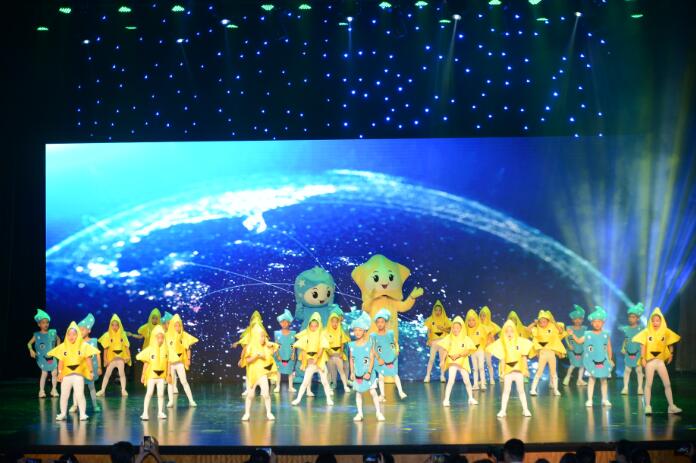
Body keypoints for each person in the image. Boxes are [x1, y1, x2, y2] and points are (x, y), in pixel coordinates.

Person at [632, 307, 681, 414]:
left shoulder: (665, 331)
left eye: (657, 320)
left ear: (661, 321)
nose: (655, 323)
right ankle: (648, 406)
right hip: (650, 362)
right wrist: (643, 358)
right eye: (653, 320)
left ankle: (671, 406)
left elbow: (670, 342)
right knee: (648, 384)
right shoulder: (647, 332)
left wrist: (671, 353)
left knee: (667, 384)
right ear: (650, 321)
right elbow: (643, 345)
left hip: (660, 362)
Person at [47, 321, 99, 421]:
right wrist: (60, 372)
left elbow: (88, 359)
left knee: (80, 395)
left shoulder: (83, 346)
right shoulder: (63, 347)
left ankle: (82, 413)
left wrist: (91, 372)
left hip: (78, 376)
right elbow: (61, 361)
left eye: (74, 334)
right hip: (66, 376)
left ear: (77, 335)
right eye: (69, 334)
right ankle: (63, 413)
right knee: (64, 395)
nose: (71, 336)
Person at [567, 307, 613, 407]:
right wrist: (572, 334)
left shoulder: (606, 334)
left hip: (603, 360)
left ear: (603, 323)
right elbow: (579, 341)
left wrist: (610, 359)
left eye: (599, 322)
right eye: (595, 322)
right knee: (592, 380)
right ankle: (589, 400)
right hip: (593, 361)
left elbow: (609, 347)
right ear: (591, 323)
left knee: (604, 381)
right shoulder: (588, 334)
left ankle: (604, 399)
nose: (597, 324)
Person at [486, 320, 533, 417]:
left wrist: (525, 369)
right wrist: (502, 371)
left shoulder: (520, 342)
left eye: (511, 331)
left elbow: (523, 356)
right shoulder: (503, 344)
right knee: (506, 391)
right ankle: (503, 410)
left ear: (515, 331)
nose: (509, 333)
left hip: (518, 371)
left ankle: (525, 409)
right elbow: (503, 359)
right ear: (504, 332)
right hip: (508, 372)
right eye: (507, 331)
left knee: (521, 391)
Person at [291, 312, 334, 406]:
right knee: (305, 382)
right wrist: (306, 359)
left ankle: (328, 398)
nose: (313, 328)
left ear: (319, 325)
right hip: (310, 364)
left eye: (316, 326)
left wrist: (317, 358)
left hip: (320, 363)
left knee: (325, 382)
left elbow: (321, 348)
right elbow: (302, 347)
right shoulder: (306, 336)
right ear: (309, 326)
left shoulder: (321, 336)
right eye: (312, 326)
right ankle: (298, 399)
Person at [348, 311, 384, 421]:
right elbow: (351, 359)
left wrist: (369, 372)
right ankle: (359, 413)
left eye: (360, 330)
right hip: (358, 373)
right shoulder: (351, 345)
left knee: (373, 392)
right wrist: (352, 372)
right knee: (358, 393)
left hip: (368, 373)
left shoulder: (369, 344)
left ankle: (378, 412)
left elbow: (371, 358)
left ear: (364, 331)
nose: (357, 332)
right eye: (356, 330)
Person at [436, 315, 478, 407]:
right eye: (454, 327)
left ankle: (471, 398)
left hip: (462, 362)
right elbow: (445, 350)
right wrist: (442, 361)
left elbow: (467, 351)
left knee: (467, 381)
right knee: (451, 380)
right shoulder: (449, 338)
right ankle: (446, 399)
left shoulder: (466, 339)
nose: (455, 329)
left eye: (457, 328)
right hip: (452, 362)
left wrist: (458, 355)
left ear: (461, 328)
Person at [240, 324, 278, 421]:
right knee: (250, 395)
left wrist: (270, 346)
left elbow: (273, 350)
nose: (263, 338)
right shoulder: (250, 347)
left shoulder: (266, 346)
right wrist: (256, 356)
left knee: (266, 394)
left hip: (262, 375)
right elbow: (246, 361)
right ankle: (247, 413)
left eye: (264, 336)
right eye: (261, 336)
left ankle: (269, 412)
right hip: (252, 375)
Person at [136, 325, 170, 420]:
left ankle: (160, 412)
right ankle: (145, 412)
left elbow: (168, 363)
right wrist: (143, 375)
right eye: (158, 337)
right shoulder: (150, 349)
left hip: (161, 376)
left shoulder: (166, 350)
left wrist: (168, 374)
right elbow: (146, 363)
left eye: (162, 337)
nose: (160, 339)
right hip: (151, 376)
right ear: (154, 338)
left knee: (161, 394)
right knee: (149, 393)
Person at [528, 310, 566, 396]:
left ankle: (556, 390)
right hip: (543, 353)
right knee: (539, 371)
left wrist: (554, 322)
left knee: (553, 372)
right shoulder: (537, 328)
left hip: (551, 353)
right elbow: (527, 330)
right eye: (541, 322)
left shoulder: (552, 327)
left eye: (544, 321)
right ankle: (533, 389)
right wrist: (534, 323)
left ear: (548, 321)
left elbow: (560, 331)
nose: (542, 323)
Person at [372, 309, 407, 401]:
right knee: (381, 376)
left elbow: (395, 343)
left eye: (382, 322)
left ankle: (400, 392)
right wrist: (378, 358)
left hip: (391, 357)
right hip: (381, 358)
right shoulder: (374, 336)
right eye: (378, 322)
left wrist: (397, 350)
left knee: (395, 374)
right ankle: (382, 395)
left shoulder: (390, 333)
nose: (380, 324)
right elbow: (373, 348)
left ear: (385, 323)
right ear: (376, 323)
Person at [70, 314, 102, 413]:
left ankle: (95, 405)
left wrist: (99, 367)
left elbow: (97, 354)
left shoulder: (93, 341)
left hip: (91, 368)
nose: (81, 332)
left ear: (89, 330)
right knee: (77, 388)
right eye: (79, 330)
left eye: (83, 329)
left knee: (91, 387)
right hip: (80, 369)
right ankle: (75, 405)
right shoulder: (77, 342)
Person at [165, 314, 198, 408]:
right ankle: (170, 401)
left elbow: (188, 349)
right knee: (170, 382)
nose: (177, 327)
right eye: (175, 325)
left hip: (179, 363)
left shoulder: (184, 335)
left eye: (178, 325)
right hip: (170, 364)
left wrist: (188, 359)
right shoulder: (167, 336)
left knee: (184, 381)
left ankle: (191, 400)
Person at [27, 309, 60, 398]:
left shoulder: (52, 332)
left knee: (54, 373)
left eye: (47, 322)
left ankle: (54, 389)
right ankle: (41, 391)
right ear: (39, 324)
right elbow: (29, 343)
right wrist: (31, 350)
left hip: (52, 356)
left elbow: (58, 339)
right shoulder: (37, 335)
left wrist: (57, 349)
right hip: (42, 357)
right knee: (44, 373)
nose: (46, 324)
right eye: (43, 323)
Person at [97, 314, 132, 397]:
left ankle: (123, 390)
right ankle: (102, 390)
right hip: (111, 359)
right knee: (107, 374)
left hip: (120, 359)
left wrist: (128, 356)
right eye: (113, 325)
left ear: (119, 325)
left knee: (122, 373)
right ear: (110, 325)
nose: (114, 327)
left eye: (116, 325)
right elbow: (105, 348)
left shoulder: (123, 335)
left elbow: (126, 347)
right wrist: (105, 359)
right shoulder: (107, 335)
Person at [423, 300, 451, 383]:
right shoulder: (430, 319)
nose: (438, 312)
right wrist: (429, 339)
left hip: (442, 341)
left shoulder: (445, 319)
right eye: (436, 310)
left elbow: (450, 331)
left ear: (442, 311)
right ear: (434, 310)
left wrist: (443, 329)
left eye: (439, 310)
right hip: (434, 342)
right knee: (431, 359)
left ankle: (442, 376)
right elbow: (428, 330)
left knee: (442, 360)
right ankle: (427, 376)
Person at [619, 303, 645, 395]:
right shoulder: (626, 328)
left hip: (638, 351)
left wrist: (643, 353)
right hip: (629, 351)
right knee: (627, 370)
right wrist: (623, 348)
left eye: (633, 317)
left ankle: (640, 388)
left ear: (638, 318)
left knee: (639, 370)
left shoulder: (641, 328)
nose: (631, 319)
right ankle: (625, 387)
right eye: (630, 317)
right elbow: (626, 339)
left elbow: (643, 340)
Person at [324, 309, 351, 393]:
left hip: (339, 354)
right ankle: (331, 385)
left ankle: (345, 385)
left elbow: (342, 342)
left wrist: (341, 352)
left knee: (342, 370)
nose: (334, 324)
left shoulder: (341, 330)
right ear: (330, 322)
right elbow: (325, 343)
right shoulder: (326, 331)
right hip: (330, 355)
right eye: (333, 322)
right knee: (331, 371)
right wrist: (328, 352)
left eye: (336, 322)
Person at [464, 309, 490, 390]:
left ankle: (483, 384)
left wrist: (486, 344)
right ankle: (475, 384)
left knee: (481, 367)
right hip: (472, 352)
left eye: (473, 320)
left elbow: (488, 334)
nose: (471, 322)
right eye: (469, 320)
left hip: (480, 351)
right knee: (475, 368)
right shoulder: (466, 330)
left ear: (476, 320)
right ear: (467, 321)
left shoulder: (481, 327)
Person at [273, 309, 297, 393]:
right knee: (278, 371)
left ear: (289, 323)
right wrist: (277, 355)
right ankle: (277, 386)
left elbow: (293, 345)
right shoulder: (277, 333)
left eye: (286, 322)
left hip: (289, 355)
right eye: (282, 322)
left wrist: (293, 353)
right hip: (280, 355)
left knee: (290, 371)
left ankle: (290, 386)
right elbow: (276, 345)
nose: (284, 324)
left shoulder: (293, 334)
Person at [563, 305, 588, 386]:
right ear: (572, 320)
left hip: (582, 348)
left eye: (580, 319)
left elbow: (585, 339)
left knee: (582, 365)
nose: (577, 321)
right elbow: (567, 338)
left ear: (582, 320)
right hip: (573, 348)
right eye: (575, 319)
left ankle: (580, 379)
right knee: (573, 364)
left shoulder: (584, 328)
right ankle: (567, 377)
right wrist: (569, 345)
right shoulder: (569, 328)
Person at [479, 306, 501, 385]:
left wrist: (491, 339)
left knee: (488, 363)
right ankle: (483, 380)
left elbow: (493, 339)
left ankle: (491, 379)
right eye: (481, 315)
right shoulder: (478, 325)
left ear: (488, 316)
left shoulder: (492, 326)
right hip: (480, 347)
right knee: (480, 365)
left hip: (488, 347)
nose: (482, 317)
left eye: (484, 315)